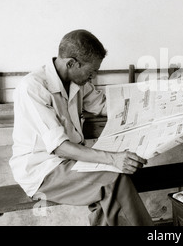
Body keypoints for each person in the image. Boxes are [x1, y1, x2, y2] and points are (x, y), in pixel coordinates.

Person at [9, 29, 153, 226]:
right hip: (43, 170)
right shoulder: (33, 87)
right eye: (91, 71)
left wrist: (151, 106)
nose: (93, 77)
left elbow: (104, 105)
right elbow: (60, 147)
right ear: (71, 63)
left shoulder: (77, 81)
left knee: (112, 190)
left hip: (71, 162)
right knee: (112, 181)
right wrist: (113, 158)